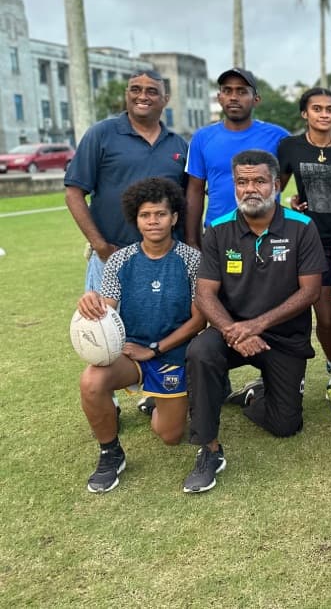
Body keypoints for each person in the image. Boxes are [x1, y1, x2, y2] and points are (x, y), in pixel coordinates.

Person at [183, 150, 325, 493]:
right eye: (242, 182)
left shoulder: (301, 227)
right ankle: (209, 450)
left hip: (284, 337)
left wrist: (257, 325)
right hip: (233, 333)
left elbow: (309, 292)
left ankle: (252, 398)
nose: (251, 189)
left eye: (259, 181)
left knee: (286, 425)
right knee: (201, 351)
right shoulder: (217, 230)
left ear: (275, 184)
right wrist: (235, 332)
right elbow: (205, 295)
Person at [76, 177, 205, 493]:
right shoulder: (120, 259)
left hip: (170, 355)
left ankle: (158, 402)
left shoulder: (191, 259)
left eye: (160, 214)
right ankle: (110, 453)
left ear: (174, 217)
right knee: (91, 381)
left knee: (170, 436)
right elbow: (106, 308)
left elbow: (199, 320)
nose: (153, 221)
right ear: (136, 219)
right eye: (146, 215)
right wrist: (90, 305)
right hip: (130, 352)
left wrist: (157, 349)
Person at [64, 68, 188, 293]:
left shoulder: (178, 145)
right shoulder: (101, 134)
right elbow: (73, 193)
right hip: (112, 256)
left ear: (165, 99)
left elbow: (186, 204)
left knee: (164, 326)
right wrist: (100, 245)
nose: (142, 96)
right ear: (126, 94)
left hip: (165, 259)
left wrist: (190, 248)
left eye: (151, 91)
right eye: (135, 90)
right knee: (105, 326)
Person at [279, 87, 331, 411]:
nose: (324, 114)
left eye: (330, 109)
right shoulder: (290, 147)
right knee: (325, 317)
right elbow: (277, 187)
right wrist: (290, 205)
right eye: (317, 109)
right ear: (305, 114)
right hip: (312, 240)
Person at [184, 68, 289, 249]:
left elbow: (303, 159)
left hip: (266, 234)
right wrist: (192, 241)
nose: (234, 97)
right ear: (219, 97)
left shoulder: (278, 137)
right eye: (227, 91)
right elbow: (195, 190)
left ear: (256, 99)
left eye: (242, 91)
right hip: (218, 233)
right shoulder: (202, 138)